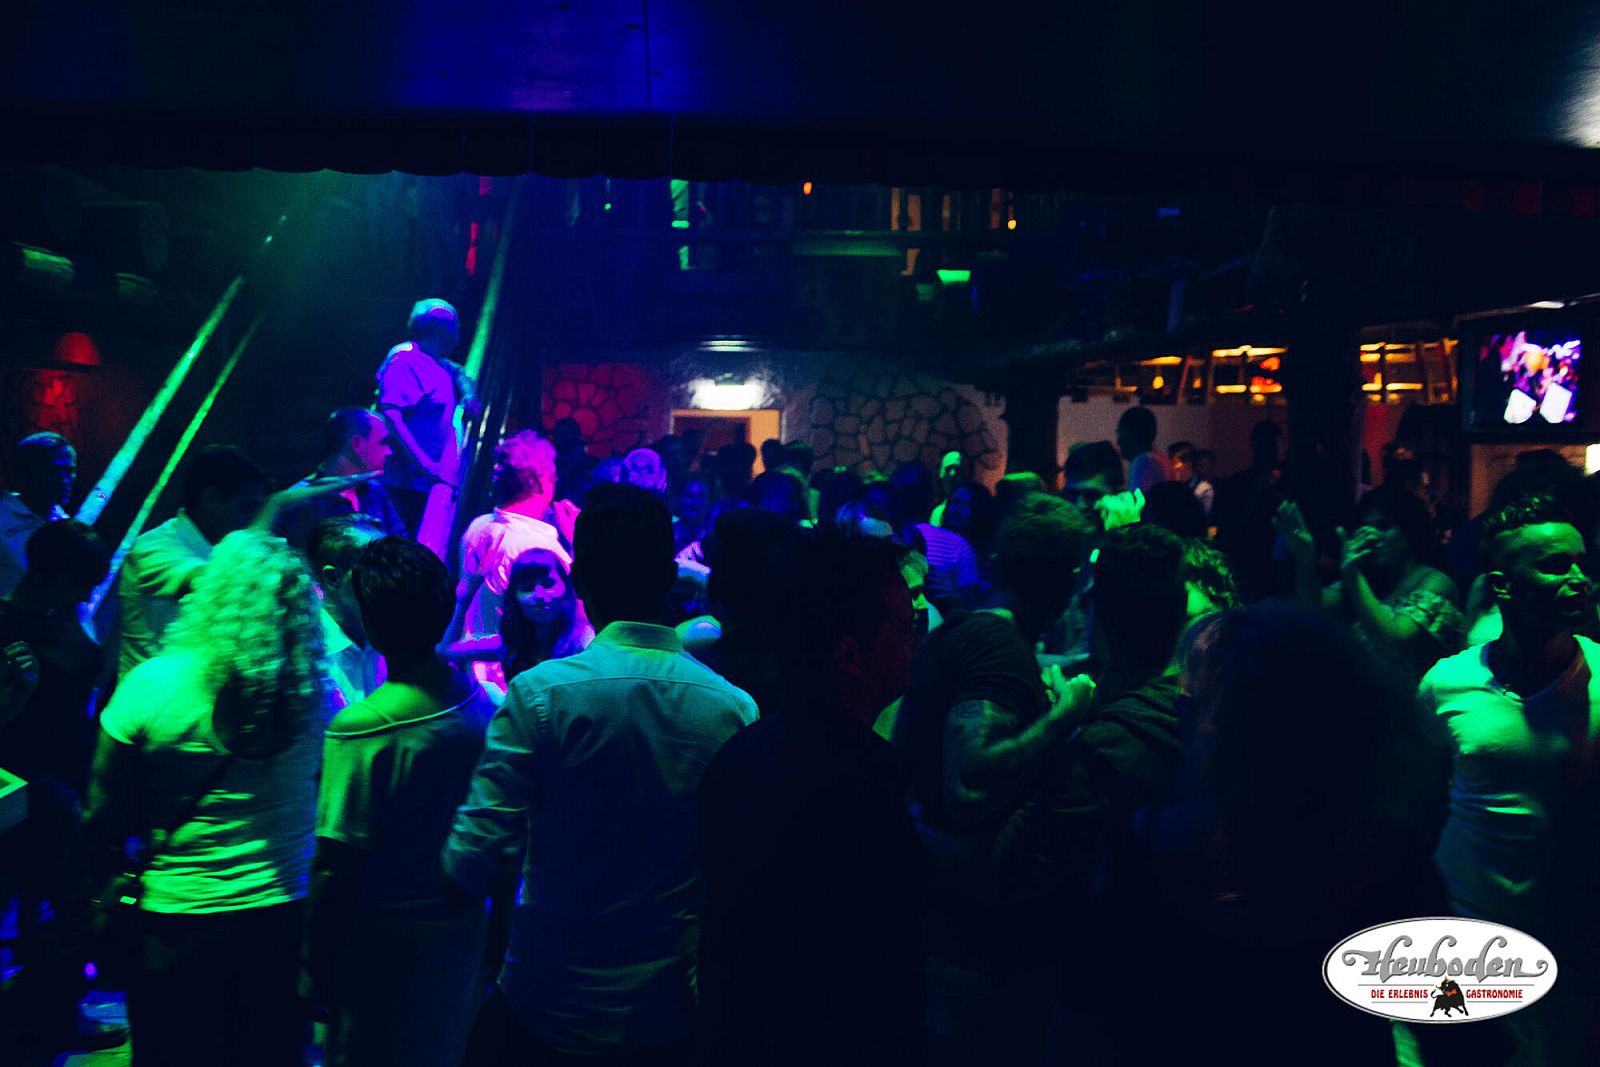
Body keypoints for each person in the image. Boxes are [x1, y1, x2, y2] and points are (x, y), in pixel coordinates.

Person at [447, 484, 758, 1065]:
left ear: (580, 581)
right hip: (664, 1013)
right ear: (670, 579)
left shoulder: (539, 695)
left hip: (545, 1001)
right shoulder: (734, 709)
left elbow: (473, 858)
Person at [85, 530, 330, 1067]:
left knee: (173, 1053)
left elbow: (102, 809)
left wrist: (110, 871)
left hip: (178, 916)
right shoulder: (317, 696)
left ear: (211, 592)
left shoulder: (154, 684)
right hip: (284, 914)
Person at [698, 535, 925, 1065]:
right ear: (850, 655)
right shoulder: (867, 783)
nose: (916, 640)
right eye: (903, 626)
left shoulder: (738, 757)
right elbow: (878, 974)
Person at [892, 492, 1098, 1065]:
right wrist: (1066, 716)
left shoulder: (964, 632)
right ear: (1069, 583)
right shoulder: (996, 649)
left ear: (998, 562)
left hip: (941, 927)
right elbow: (969, 786)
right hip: (970, 946)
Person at [1424, 493, 1600, 1063]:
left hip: (1572, 934)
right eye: (1554, 565)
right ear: (1503, 585)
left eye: (1582, 562)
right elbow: (1425, 795)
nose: (1579, 578)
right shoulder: (1448, 683)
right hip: (1466, 926)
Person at [307, 537, 496, 1067]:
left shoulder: (361, 729)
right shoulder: (483, 705)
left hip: (380, 942)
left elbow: (336, 865)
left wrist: (312, 962)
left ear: (370, 620)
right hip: (461, 930)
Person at [0, 521, 122, 1057]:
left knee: (67, 907)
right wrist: (17, 693)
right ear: (48, 576)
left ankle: (47, 1011)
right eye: (80, 584)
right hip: (27, 790)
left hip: (70, 778)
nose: (86, 595)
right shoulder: (7, 628)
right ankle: (46, 1017)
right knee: (69, 906)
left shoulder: (64, 614)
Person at [116, 445, 367, 678]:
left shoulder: (222, 543)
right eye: (247, 508)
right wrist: (275, 505)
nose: (254, 519)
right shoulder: (153, 547)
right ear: (210, 499)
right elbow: (223, 580)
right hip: (152, 697)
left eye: (258, 510)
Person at [1279, 485, 1463, 677]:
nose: (1371, 537)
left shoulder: (1435, 581)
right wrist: (1305, 558)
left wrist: (1353, 575)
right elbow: (1312, 606)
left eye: (1383, 527)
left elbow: (1394, 641)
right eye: (1365, 528)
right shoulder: (1370, 581)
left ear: (1411, 532)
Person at [450, 431, 572, 692]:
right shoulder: (538, 546)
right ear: (542, 482)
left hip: (475, 674)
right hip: (515, 683)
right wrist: (576, 543)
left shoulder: (478, 526)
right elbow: (576, 612)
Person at [376, 299, 467, 542]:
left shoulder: (437, 363)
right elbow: (391, 416)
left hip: (419, 485)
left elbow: (459, 371)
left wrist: (468, 394)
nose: (458, 338)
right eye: (456, 329)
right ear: (441, 331)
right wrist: (427, 467)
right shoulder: (405, 361)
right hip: (401, 487)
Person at [279, 407, 406, 551]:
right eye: (383, 442)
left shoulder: (376, 492)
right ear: (357, 444)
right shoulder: (299, 500)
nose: (390, 451)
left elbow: (401, 545)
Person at [306, 514, 389, 708]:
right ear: (333, 578)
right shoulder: (304, 652)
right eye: (375, 567)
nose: (392, 575)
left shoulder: (396, 638)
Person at [1212, 419, 1284, 601]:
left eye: (1272, 447)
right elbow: (1226, 528)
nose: (1269, 453)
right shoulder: (1234, 485)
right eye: (1266, 447)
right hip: (1251, 568)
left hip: (1262, 571)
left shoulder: (1288, 485)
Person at [0, 432, 76, 598]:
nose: (64, 479)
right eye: (53, 471)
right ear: (24, 474)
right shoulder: (2, 517)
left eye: (69, 471)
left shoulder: (64, 522)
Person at [1116, 405, 1171, 493]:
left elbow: (1137, 499)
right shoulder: (1162, 460)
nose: (1118, 442)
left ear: (1132, 434)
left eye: (1120, 433)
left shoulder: (1144, 461)